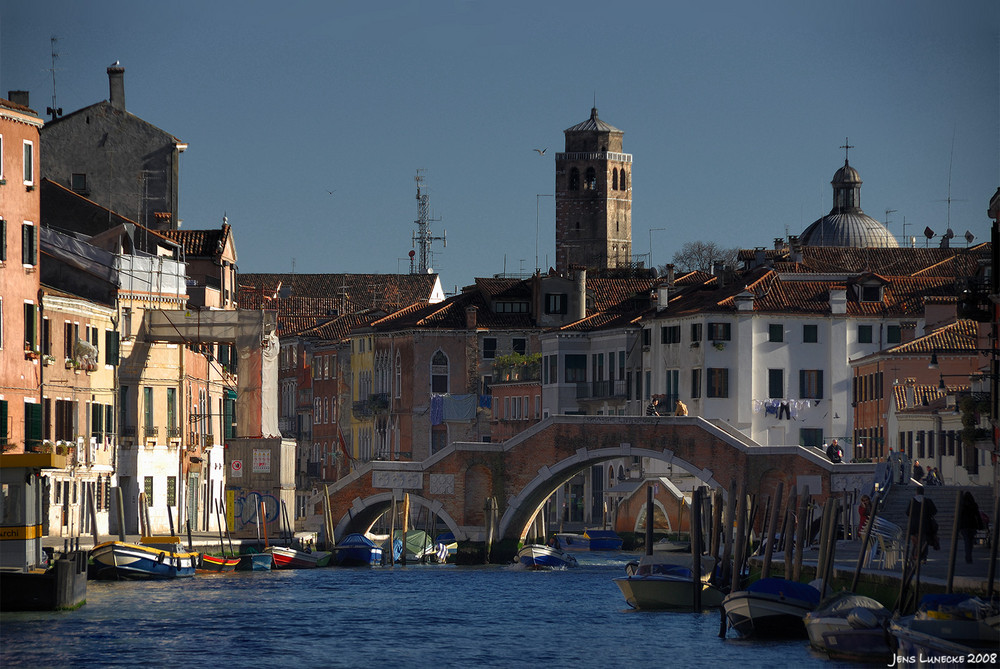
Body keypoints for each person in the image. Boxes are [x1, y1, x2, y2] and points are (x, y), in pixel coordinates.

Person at [906, 485, 938, 562]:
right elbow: (934, 511)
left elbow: (907, 512)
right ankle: (923, 556)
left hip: (914, 526)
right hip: (925, 525)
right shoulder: (927, 501)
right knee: (924, 541)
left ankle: (913, 555)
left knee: (915, 542)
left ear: (916, 492)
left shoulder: (912, 501)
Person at [957, 492, 983, 564]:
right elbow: (978, 515)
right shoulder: (974, 505)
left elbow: (959, 517)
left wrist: (958, 527)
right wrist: (980, 525)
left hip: (964, 526)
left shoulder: (962, 506)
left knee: (967, 541)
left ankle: (968, 556)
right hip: (972, 525)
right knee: (970, 542)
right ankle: (969, 556)